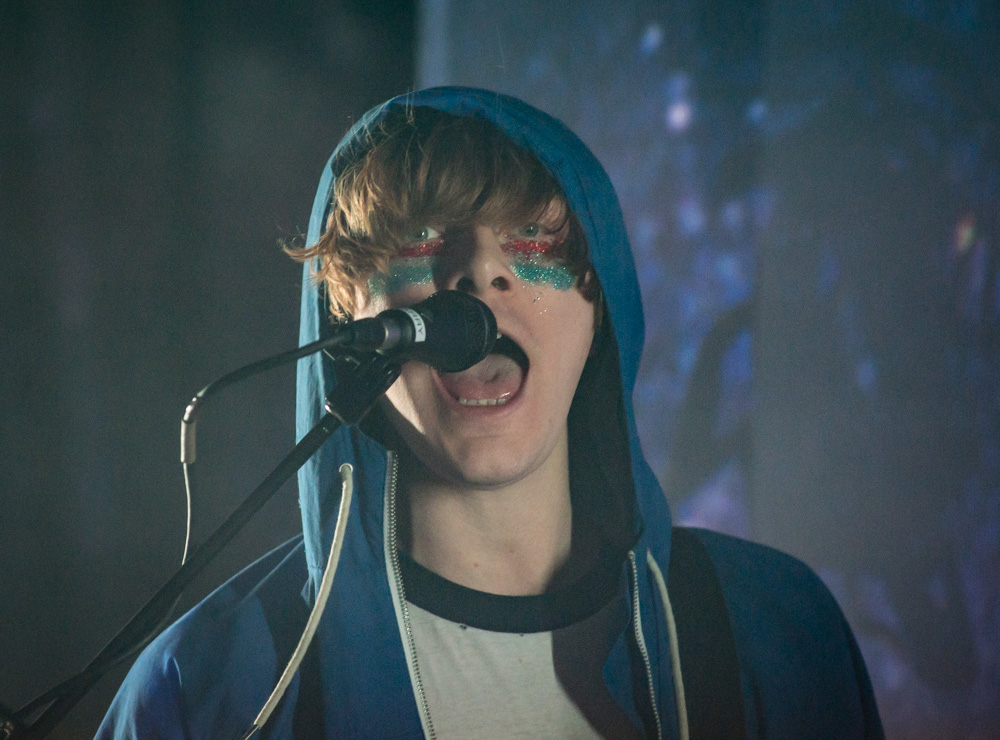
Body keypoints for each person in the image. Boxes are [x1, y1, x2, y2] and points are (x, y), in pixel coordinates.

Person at [97, 88, 883, 739]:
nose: (477, 271)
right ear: (348, 319)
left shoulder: (775, 634)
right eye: (419, 236)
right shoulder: (209, 689)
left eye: (534, 233)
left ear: (598, 304)